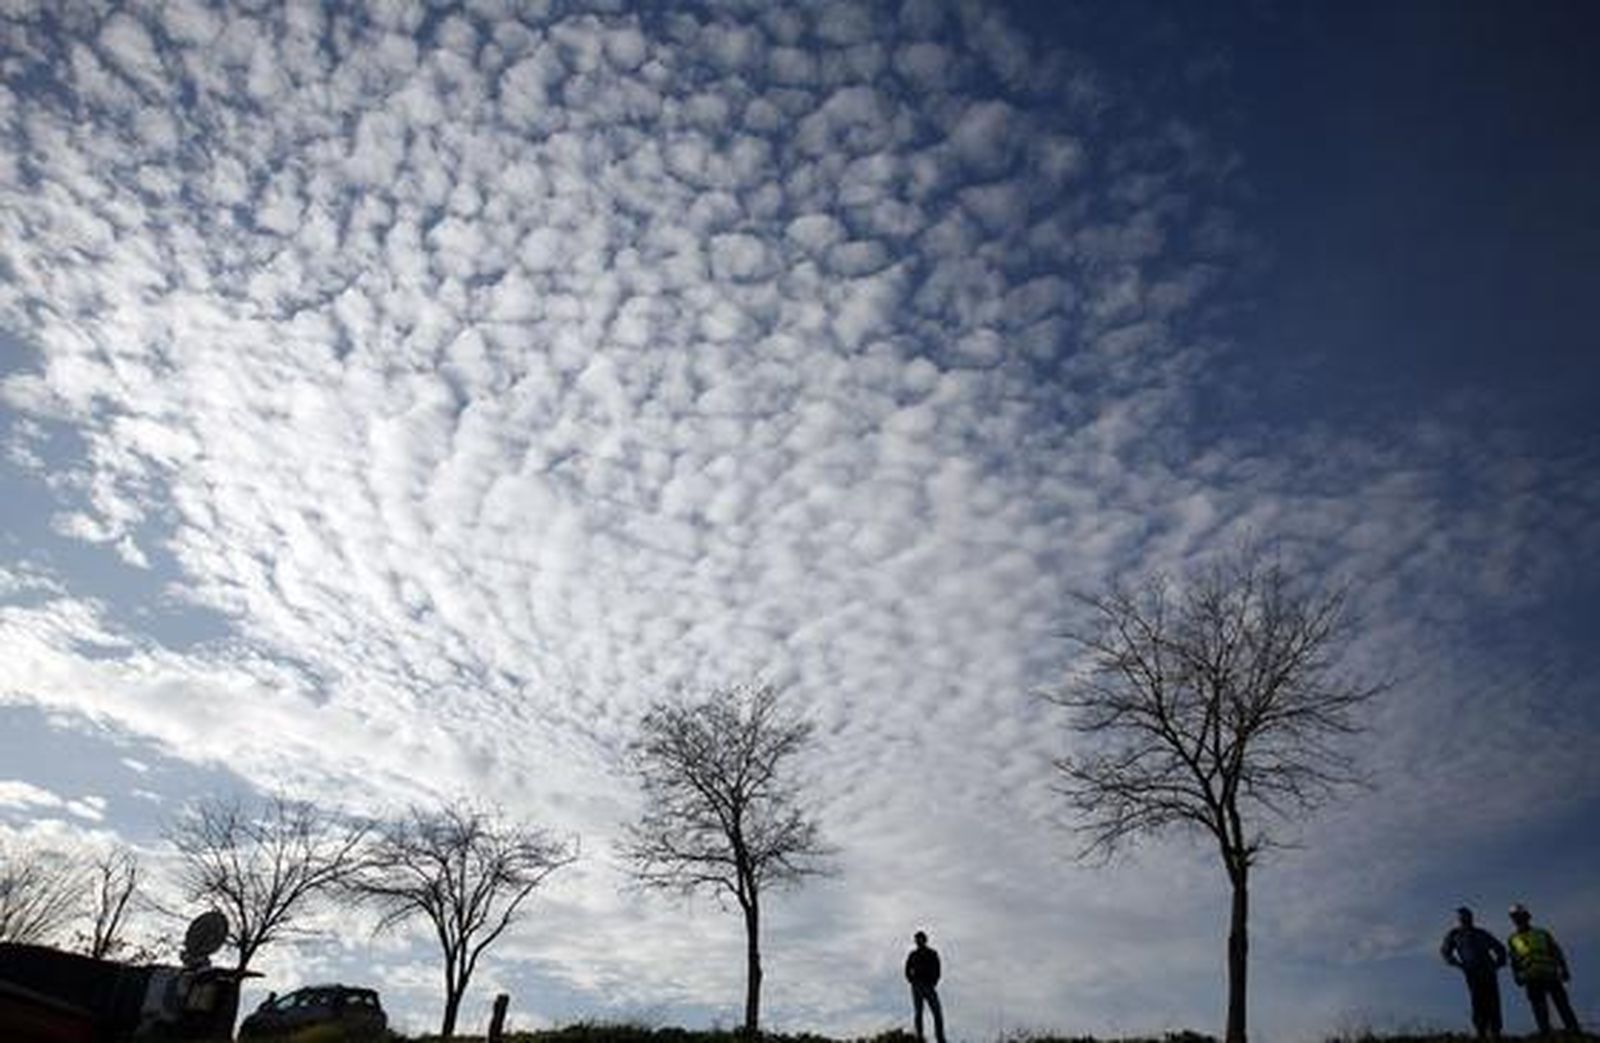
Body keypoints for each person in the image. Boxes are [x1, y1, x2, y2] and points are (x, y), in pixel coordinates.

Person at [1506, 903, 1582, 1037]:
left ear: (1527, 917)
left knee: (1562, 1003)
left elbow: (1556, 952)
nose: (1518, 919)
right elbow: (1514, 960)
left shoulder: (1541, 933)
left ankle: (1573, 1030)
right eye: (1515, 917)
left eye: (1520, 916)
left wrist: (1564, 969)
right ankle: (1545, 1032)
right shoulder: (1513, 939)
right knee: (1539, 1006)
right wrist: (1516, 975)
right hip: (1531, 976)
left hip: (1550, 974)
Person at [1441, 906, 1507, 1038]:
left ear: (1471, 917)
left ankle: (1496, 1031)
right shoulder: (1455, 934)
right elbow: (1445, 950)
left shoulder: (1481, 933)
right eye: (1462, 916)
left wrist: (1498, 963)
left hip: (1488, 970)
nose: (1464, 918)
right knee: (1477, 1001)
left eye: (1467, 916)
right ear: (1459, 919)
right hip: (1472, 971)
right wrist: (1456, 963)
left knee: (1493, 1001)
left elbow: (1500, 948)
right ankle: (1481, 1031)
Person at [905, 930, 947, 1043]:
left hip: (929, 986)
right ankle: (920, 1037)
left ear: (925, 940)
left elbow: (938, 968)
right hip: (917, 986)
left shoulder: (932, 953)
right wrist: (912, 981)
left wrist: (934, 981)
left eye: (920, 939)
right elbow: (907, 969)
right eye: (917, 939)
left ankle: (940, 1038)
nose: (918, 941)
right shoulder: (913, 954)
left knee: (937, 1013)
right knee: (918, 1013)